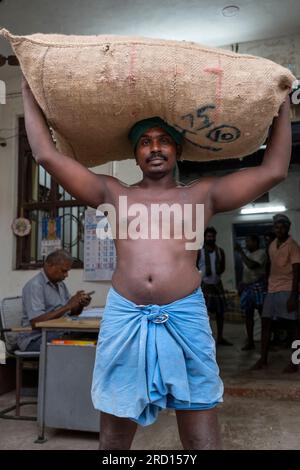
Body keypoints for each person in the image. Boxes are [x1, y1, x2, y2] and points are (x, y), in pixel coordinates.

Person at [21, 74, 292, 450]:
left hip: (185, 315)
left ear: (177, 150)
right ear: (135, 154)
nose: (155, 148)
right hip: (126, 315)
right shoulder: (111, 192)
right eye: (145, 142)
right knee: (115, 432)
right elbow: (46, 155)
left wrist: (282, 104)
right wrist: (28, 89)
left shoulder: (203, 194)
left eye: (164, 140)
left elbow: (273, 170)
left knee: (200, 423)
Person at [17, 250, 92, 352]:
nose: (66, 275)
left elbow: (71, 313)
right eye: (63, 271)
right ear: (49, 265)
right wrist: (67, 306)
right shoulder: (35, 286)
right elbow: (36, 323)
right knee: (80, 342)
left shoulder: (60, 284)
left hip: (57, 331)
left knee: (92, 334)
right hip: (36, 339)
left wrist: (80, 305)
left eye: (67, 271)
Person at [252, 214, 300, 372]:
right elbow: (271, 267)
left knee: (293, 327)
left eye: (282, 227)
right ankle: (263, 359)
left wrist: (294, 295)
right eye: (277, 227)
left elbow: (297, 272)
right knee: (266, 323)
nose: (279, 230)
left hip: (287, 289)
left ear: (288, 228)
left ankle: (295, 362)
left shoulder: (293, 245)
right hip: (272, 289)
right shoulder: (272, 245)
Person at [197, 226, 232, 346]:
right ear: (205, 238)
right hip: (204, 285)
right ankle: (204, 339)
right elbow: (195, 267)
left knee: (220, 312)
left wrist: (216, 275)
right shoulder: (199, 251)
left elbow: (222, 267)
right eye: (208, 236)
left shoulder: (220, 251)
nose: (211, 238)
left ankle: (220, 337)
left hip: (217, 284)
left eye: (212, 236)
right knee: (203, 314)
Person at [235, 235, 267, 350]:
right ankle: (250, 342)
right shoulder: (249, 254)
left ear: (255, 242)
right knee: (248, 316)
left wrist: (240, 252)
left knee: (262, 314)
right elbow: (247, 271)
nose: (246, 244)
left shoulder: (261, 253)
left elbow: (252, 266)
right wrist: (242, 283)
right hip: (248, 288)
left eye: (248, 241)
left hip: (258, 287)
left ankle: (266, 341)